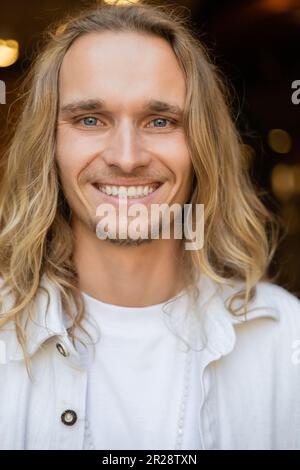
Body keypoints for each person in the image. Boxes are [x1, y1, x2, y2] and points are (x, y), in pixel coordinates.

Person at [0, 1, 299, 451]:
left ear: (203, 145)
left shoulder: (285, 340)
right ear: (50, 145)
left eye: (161, 121)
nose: (126, 156)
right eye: (90, 120)